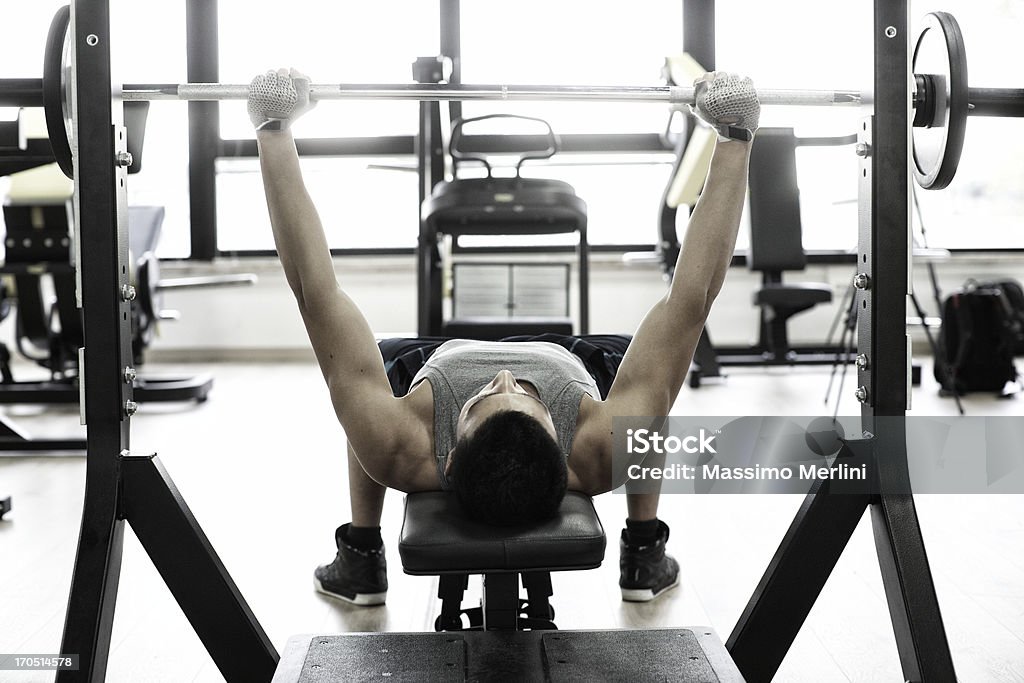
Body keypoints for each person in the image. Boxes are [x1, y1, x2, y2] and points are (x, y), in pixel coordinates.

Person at [249, 69, 759, 606]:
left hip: (434, 365)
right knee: (649, 401)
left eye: (483, 399)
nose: (506, 375)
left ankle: (360, 556)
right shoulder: (595, 449)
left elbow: (315, 289)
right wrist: (736, 139)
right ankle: (645, 547)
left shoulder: (403, 446)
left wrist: (273, 128)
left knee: (362, 385)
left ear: (446, 457)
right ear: (565, 462)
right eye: (526, 397)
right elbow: (691, 300)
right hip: (574, 362)